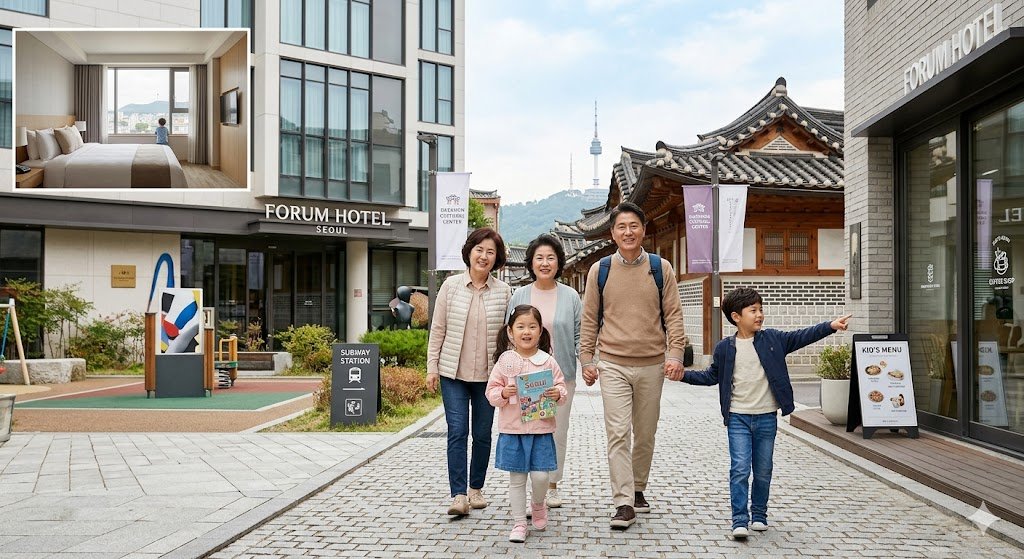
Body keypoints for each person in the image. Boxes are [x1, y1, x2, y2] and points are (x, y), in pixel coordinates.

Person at [681, 287, 851, 539]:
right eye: (753, 311)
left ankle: (759, 515)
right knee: (739, 468)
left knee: (763, 469)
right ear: (736, 316)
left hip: (766, 417)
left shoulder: (773, 340)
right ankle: (739, 519)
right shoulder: (725, 348)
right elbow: (711, 376)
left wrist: (830, 325)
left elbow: (802, 336)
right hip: (738, 416)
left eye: (761, 309)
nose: (760, 315)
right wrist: (682, 374)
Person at [579, 202, 687, 530]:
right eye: (621, 227)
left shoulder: (660, 268)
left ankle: (638, 486)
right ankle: (623, 501)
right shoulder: (601, 270)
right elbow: (589, 318)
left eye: (634, 226)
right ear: (612, 233)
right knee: (616, 432)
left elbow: (673, 315)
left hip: (653, 364)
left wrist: (675, 354)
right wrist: (587, 358)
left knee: (646, 432)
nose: (628, 232)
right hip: (612, 363)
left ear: (643, 230)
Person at [427, 227, 512, 516]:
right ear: (469, 252)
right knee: (458, 431)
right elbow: (437, 329)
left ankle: (476, 489)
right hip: (453, 375)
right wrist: (432, 368)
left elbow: (507, 337)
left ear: (496, 258)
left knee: (483, 433)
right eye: (479, 249)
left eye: (491, 252)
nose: (484, 256)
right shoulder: (450, 287)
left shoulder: (504, 292)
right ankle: (459, 495)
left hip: (488, 377)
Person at [507, 234, 581, 509]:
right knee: (526, 432)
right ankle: (525, 491)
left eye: (550, 257)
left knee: (556, 432)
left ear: (559, 262)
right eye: (539, 257)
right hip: (524, 377)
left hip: (560, 376)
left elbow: (579, 334)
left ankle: (551, 486)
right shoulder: (520, 294)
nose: (545, 263)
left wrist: (588, 364)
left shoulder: (570, 295)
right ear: (531, 262)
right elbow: (509, 334)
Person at [486, 305, 567, 543]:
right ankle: (520, 522)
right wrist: (503, 392)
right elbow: (490, 392)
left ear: (540, 331)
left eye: (532, 326)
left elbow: (562, 390)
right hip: (513, 431)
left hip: (541, 430)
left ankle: (539, 504)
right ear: (510, 332)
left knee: (541, 477)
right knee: (517, 479)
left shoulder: (547, 362)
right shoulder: (505, 362)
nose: (526, 331)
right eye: (520, 327)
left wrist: (557, 393)